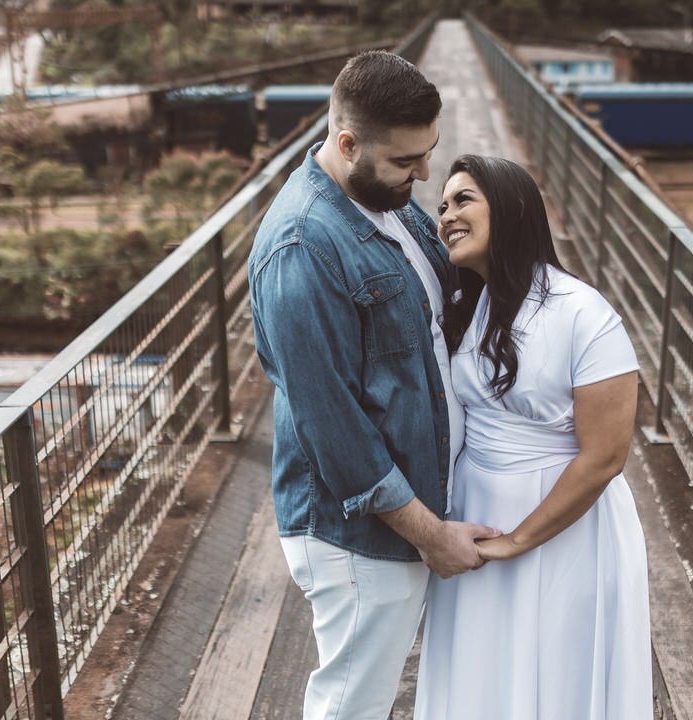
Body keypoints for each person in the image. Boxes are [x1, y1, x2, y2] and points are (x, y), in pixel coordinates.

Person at [247, 53, 498, 720]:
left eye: (428, 155)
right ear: (347, 142)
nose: (422, 175)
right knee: (351, 707)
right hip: (363, 535)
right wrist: (428, 534)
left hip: (410, 513)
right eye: (406, 160)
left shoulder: (382, 199)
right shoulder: (303, 247)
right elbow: (333, 427)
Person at [414, 155, 653, 719]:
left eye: (463, 199)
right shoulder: (466, 306)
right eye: (442, 204)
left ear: (515, 207)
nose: (445, 214)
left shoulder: (585, 314)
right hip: (475, 514)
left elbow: (605, 457)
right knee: (480, 673)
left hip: (564, 524)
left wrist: (518, 540)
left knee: (559, 670)